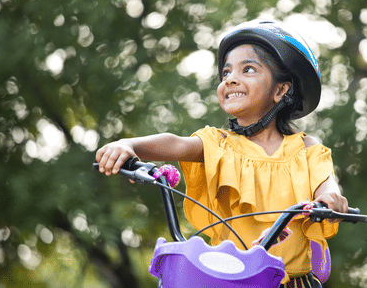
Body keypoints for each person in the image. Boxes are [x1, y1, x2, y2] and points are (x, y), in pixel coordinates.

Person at [96, 19, 348, 287]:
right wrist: (130, 145)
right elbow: (176, 144)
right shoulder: (218, 144)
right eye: (226, 73)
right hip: (230, 279)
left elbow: (326, 185)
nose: (231, 79)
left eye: (248, 69)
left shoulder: (305, 148)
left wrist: (330, 199)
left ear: (281, 90)